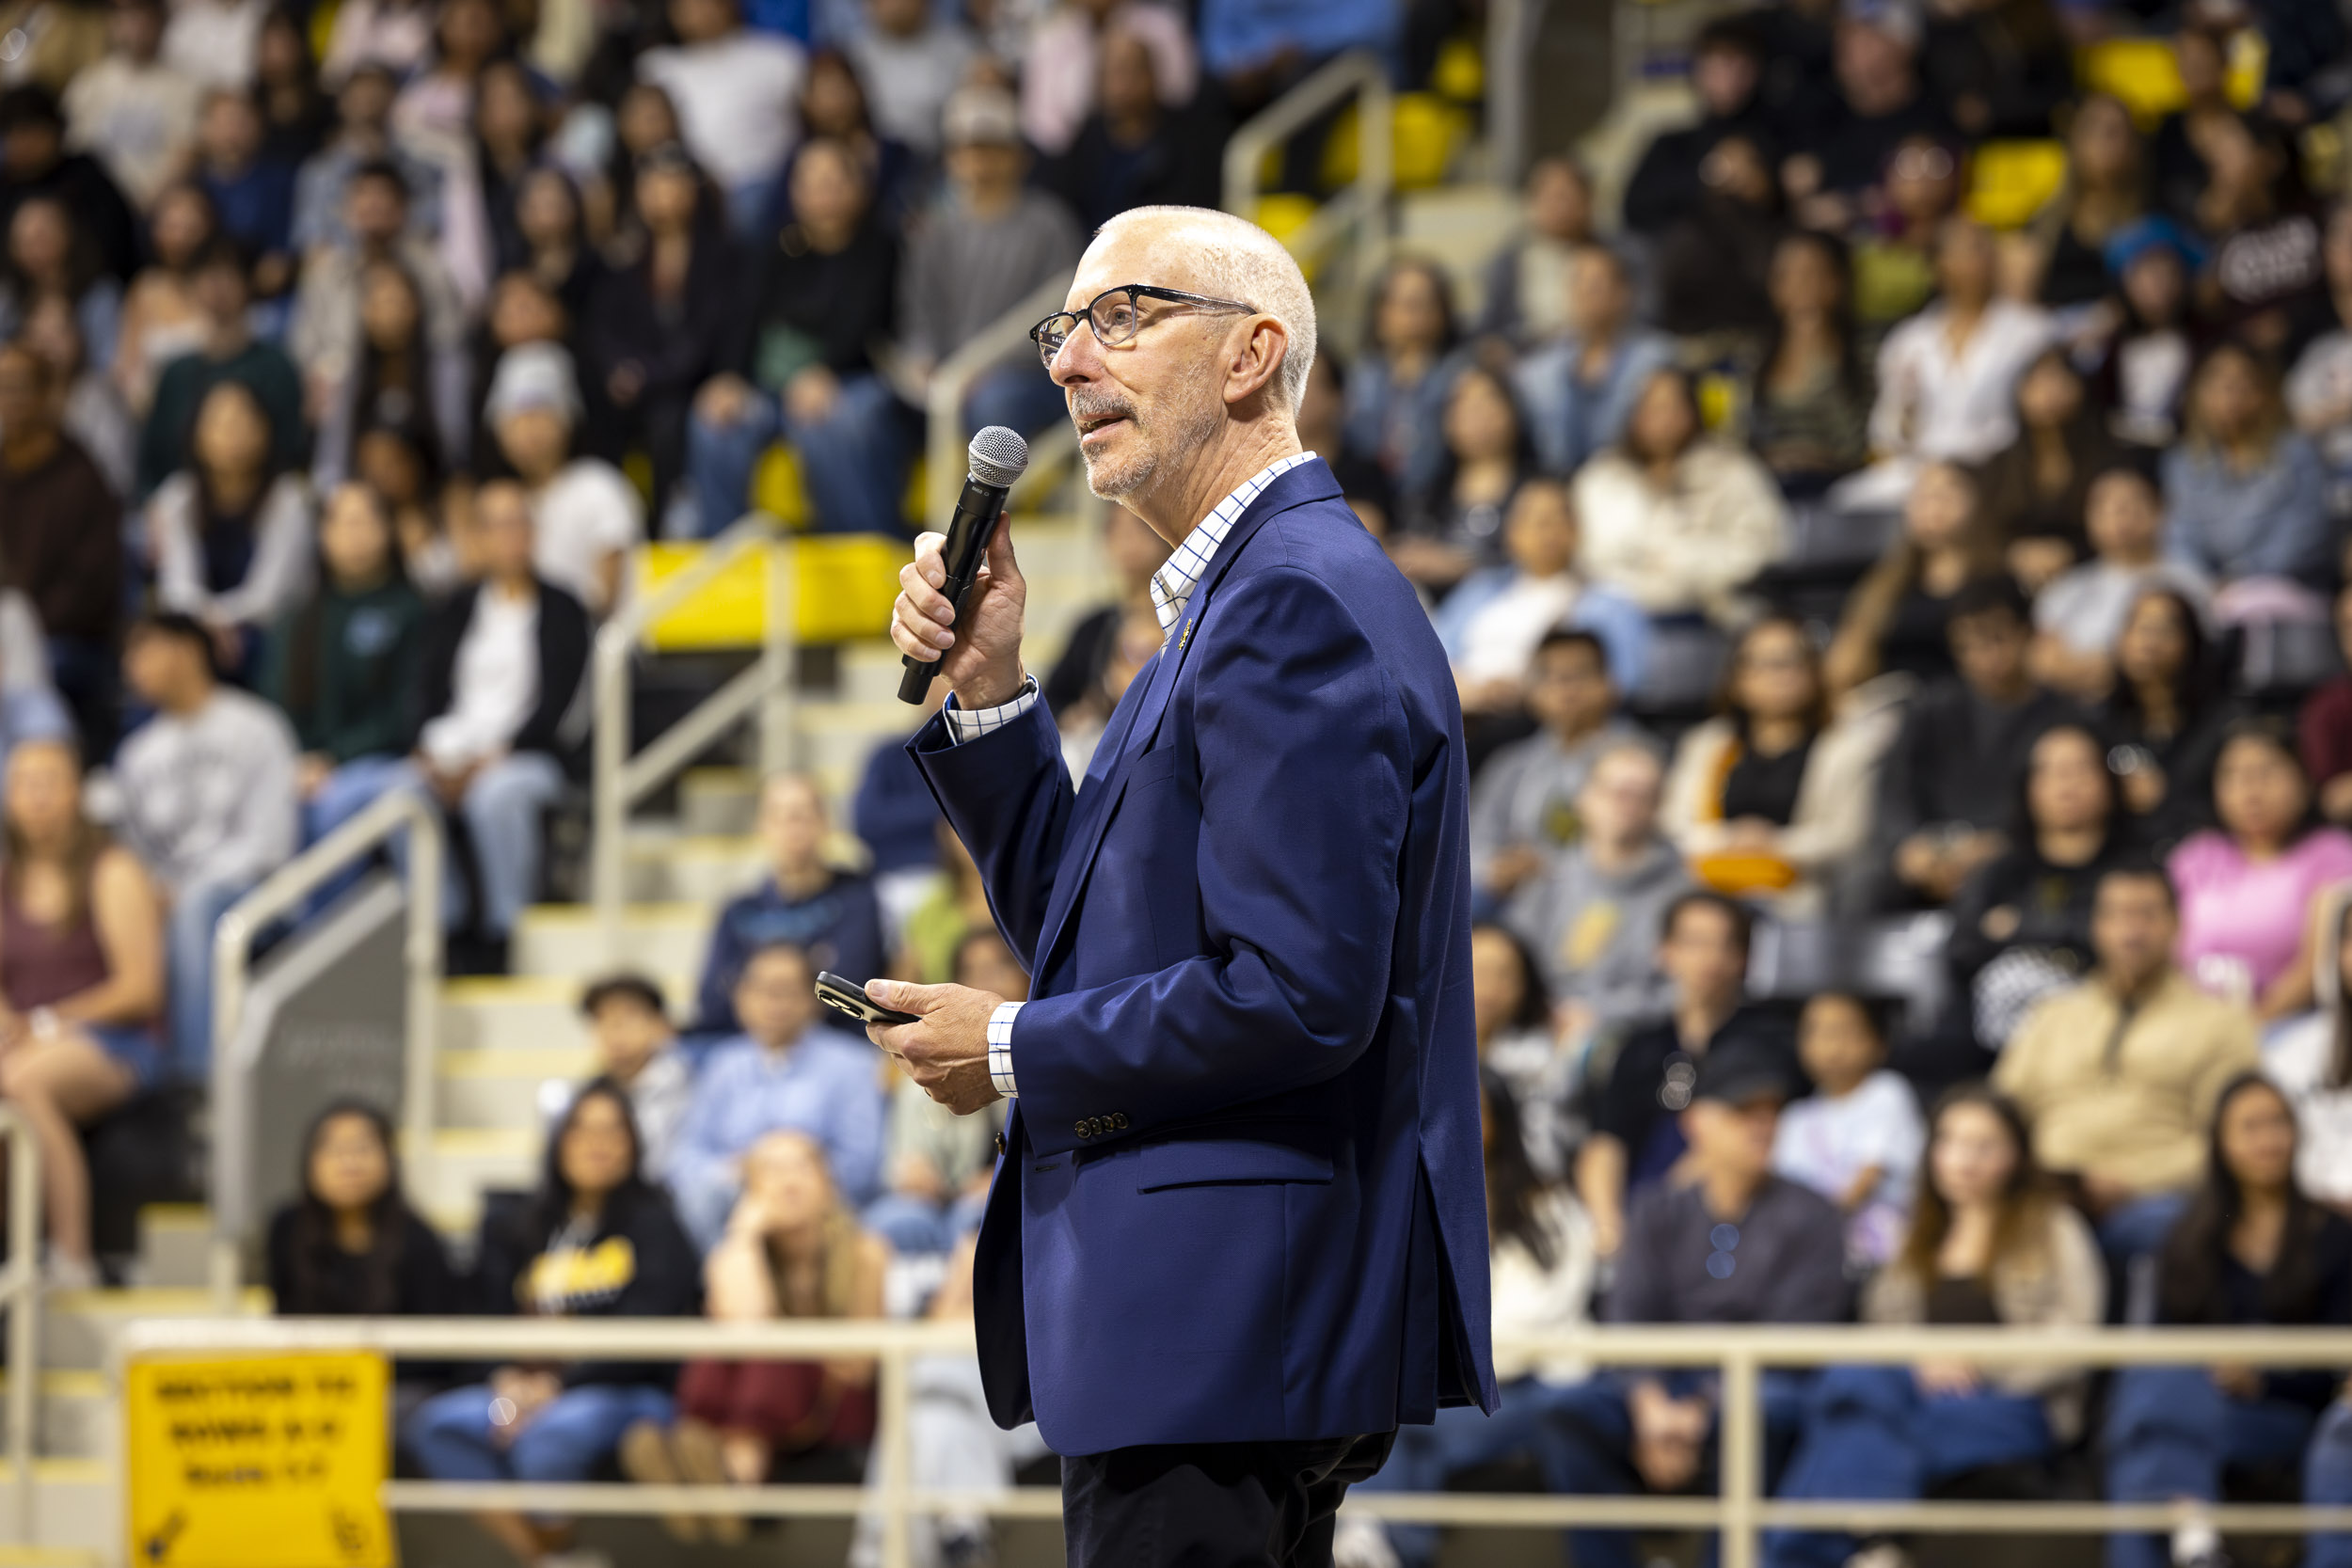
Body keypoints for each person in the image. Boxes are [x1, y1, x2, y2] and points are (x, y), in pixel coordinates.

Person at [881, 204, 1497, 1562]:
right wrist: (991, 693)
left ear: (1251, 356)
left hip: (1223, 1315)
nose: (1067, 362)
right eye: (1062, 330)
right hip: (1210, 1322)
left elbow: (1298, 994)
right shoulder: (1229, 605)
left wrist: (1006, 1043)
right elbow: (1095, 932)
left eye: (1123, 316)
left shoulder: (1290, 602)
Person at [1765, 1085, 2103, 1568]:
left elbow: (2078, 1336)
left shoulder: (2054, 1227)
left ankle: (1830, 1548)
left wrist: (1978, 1361)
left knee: (1848, 1425)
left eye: (1984, 1145)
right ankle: (1876, 1548)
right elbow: (1881, 1330)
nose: (1964, 1160)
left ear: (2017, 1155)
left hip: (2014, 1405)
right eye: (1950, 1142)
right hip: (1915, 1395)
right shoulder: (1912, 1233)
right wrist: (1920, 1360)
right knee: (1855, 1382)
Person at [1550, 1043, 1847, 1568]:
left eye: (1771, 1114)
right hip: (1664, 1385)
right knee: (1566, 1412)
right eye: (1742, 1113)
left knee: (1759, 1412)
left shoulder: (1813, 1213)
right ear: (1697, 1123)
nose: (1761, 1127)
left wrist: (1701, 1407)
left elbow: (1797, 1331)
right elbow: (1630, 1313)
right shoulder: (1656, 1208)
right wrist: (1650, 1404)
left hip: (1754, 1388)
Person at [405, 1081, 700, 1568]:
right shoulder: (517, 1222)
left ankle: (554, 1551)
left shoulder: (658, 1223)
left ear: (634, 1144)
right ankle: (544, 1555)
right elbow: (485, 1313)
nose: (596, 1144)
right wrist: (504, 1376)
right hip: (518, 1392)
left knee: (552, 1437)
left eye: (612, 1131)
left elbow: (648, 1332)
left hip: (619, 1392)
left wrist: (558, 1385)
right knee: (438, 1426)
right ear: (557, 1142)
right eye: (581, 1131)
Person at [1338, 1072, 1597, 1568]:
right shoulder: (1423, 1199)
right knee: (1402, 1418)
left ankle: (1382, 1544)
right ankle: (1385, 1544)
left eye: (1475, 1108)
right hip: (1465, 1384)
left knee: (1411, 1425)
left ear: (1502, 1117)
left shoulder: (1552, 1207)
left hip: (1539, 1386)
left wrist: (1447, 1350)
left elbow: (1536, 1320)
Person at [2105, 1072, 2352, 1568]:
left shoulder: (2334, 1236)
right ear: (2220, 1140)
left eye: (2278, 1123)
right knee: (2158, 1395)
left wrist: (2260, 1377)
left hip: (2286, 1416)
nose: (2267, 1140)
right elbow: (2161, 1348)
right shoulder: (2187, 1236)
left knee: (2146, 1434)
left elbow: (2338, 1364)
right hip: (2195, 1408)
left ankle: (2196, 1541)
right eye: (2250, 1126)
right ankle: (2195, 1540)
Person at [623, 1130, 887, 1544]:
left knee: (770, 1352)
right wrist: (745, 1237)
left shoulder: (866, 1250)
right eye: (771, 1169)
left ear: (827, 1181)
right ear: (750, 1188)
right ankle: (721, 1477)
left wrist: (792, 1344)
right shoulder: (731, 1254)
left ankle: (723, 1485)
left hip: (839, 1404)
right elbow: (745, 1328)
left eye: (802, 1165)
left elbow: (858, 1366)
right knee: (721, 1348)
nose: (788, 1180)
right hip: (759, 1404)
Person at [1994, 863, 2259, 1272]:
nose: (2130, 931)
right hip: (2050, 1192)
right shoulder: (2052, 1016)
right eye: (2114, 914)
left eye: (2146, 915)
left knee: (2171, 1227)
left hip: (2155, 1199)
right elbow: (2002, 1115)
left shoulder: (2220, 1022)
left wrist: (2131, 1183)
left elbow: (2232, 1141)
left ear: (2177, 924)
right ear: (2096, 926)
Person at [685, 135, 906, 539]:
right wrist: (730, 377)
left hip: (854, 379)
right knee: (714, 421)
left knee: (834, 420)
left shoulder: (883, 248)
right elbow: (744, 320)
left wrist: (827, 373)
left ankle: (861, 548)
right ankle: (724, 558)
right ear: (794, 190)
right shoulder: (775, 249)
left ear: (860, 186)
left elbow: (872, 324)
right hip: (771, 389)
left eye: (835, 179)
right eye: (811, 180)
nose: (824, 191)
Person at [0, 737, 162, 1281]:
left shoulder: (112, 870)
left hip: (116, 1040)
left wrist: (46, 1022)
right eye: (24, 784)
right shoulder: (5, 881)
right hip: (27, 1042)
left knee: (22, 1082)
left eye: (48, 783)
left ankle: (72, 1255)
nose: (36, 797)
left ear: (76, 793)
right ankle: (16, 1250)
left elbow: (140, 988)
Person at [112, 612, 297, 1076]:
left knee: (197, 907)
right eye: (131, 655)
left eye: (146, 649)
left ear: (190, 651)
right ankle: (139, 1070)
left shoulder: (256, 726)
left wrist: (186, 889)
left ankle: (198, 1083)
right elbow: (133, 851)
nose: (136, 666)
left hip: (254, 893)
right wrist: (149, 893)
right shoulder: (136, 754)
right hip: (169, 894)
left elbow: (270, 843)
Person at [1575, 890, 1799, 1257]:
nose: (1710, 958)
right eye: (1695, 942)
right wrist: (1608, 1224)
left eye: (1724, 944)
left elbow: (1738, 1138)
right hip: (1636, 1222)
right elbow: (1606, 1141)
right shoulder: (1641, 1045)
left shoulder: (1767, 1041)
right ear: (1665, 952)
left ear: (1743, 958)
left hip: (1725, 1223)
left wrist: (1655, 1218)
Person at [1662, 612, 1899, 912]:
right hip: (1708, 888)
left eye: (1793, 661)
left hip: (1800, 896)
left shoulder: (1845, 748)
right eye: (1766, 663)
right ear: (1737, 678)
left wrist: (1774, 843)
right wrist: (1730, 838)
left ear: (1814, 671)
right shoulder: (1707, 743)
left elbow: (1848, 837)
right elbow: (1675, 824)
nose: (1781, 675)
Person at [1874, 577, 2081, 909]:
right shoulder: (1931, 709)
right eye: (1967, 645)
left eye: (1996, 639)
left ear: (2027, 633)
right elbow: (1894, 792)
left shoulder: (2064, 716)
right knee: (1870, 885)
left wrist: (2003, 846)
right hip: (1935, 855)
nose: (1983, 657)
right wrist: (1911, 846)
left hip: (2021, 859)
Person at [895, 87, 1083, 443]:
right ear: (951, 158)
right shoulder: (935, 229)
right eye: (969, 149)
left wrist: (980, 368)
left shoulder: (1051, 224)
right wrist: (923, 361)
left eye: (992, 149)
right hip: (947, 380)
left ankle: (992, 500)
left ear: (1018, 156)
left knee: (996, 401)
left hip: (1026, 378)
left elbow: (1062, 322)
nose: (980, 162)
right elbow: (918, 315)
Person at [669, 940, 886, 1248]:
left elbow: (862, 1163)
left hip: (820, 1208)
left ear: (813, 999)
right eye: (760, 988)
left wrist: (785, 1179)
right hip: (730, 1201)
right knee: (698, 1204)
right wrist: (731, 1172)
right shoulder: (723, 1065)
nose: (773, 1002)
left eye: (786, 990)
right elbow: (685, 1156)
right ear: (740, 997)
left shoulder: (852, 1064)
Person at [1947, 723, 2137, 1060]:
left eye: (2080, 769)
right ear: (2027, 787)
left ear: (2109, 783)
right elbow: (1962, 951)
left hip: (2107, 1032)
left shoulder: (2134, 871)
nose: (2067, 784)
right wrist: (2070, 933)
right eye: (2050, 772)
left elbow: (2130, 946)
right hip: (1996, 1042)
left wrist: (2017, 928)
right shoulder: (1998, 873)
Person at [267, 481, 424, 846]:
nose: (354, 534)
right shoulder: (296, 618)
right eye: (342, 523)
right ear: (322, 535)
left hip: (381, 763)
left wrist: (334, 758)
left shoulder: (413, 611)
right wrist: (298, 761)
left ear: (388, 530)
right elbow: (273, 701)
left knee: (335, 806)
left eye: (365, 521)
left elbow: (406, 710)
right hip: (301, 768)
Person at [1571, 368, 1788, 628]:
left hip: (1715, 611)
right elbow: (1590, 557)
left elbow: (1763, 546)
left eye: (1674, 406)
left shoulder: (1732, 470)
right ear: (1632, 414)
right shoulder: (1600, 478)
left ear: (1694, 412)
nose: (1664, 419)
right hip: (1622, 615)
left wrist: (1683, 564)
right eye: (1652, 407)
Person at [1503, 739, 1691, 1038]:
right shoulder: (1547, 881)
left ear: (1659, 806)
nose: (1626, 806)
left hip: (1636, 1039)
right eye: (1615, 792)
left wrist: (1600, 1015)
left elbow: (1687, 991)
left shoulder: (1684, 894)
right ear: (1583, 798)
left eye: (1642, 796)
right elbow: (1514, 965)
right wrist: (1546, 1013)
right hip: (1538, 1032)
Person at [2169, 719, 2352, 1020]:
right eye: (2233, 776)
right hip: (2192, 1023)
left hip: (2292, 1025)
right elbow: (2166, 950)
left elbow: (2316, 968)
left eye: (2266, 773)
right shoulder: (2197, 855)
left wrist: (2249, 1030)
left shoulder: (2331, 855)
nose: (2250, 791)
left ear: (2304, 781)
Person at [1858, 217, 2054, 492]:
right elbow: (1887, 435)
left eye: (1986, 248)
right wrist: (1906, 414)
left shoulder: (2031, 331)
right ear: (1939, 265)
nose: (1981, 258)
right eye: (1968, 249)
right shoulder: (1908, 341)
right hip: (1923, 476)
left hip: (2003, 473)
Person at [692, 772, 886, 1037]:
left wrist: (756, 986)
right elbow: (713, 999)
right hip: (748, 1045)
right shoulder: (738, 910)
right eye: (780, 816)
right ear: (762, 826)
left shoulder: (857, 898)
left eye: (802, 815)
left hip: (835, 1043)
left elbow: (848, 990)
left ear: (825, 823)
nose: (792, 828)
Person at [1465, 628, 1648, 906]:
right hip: (1513, 902)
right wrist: (1496, 868)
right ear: (1532, 691)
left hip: (1607, 898)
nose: (1564, 688)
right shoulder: (1511, 763)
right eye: (1549, 676)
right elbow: (1473, 844)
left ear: (1610, 685)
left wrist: (1548, 869)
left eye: (1577, 675)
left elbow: (1641, 847)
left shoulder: (1639, 759)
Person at [150, 379, 314, 682]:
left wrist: (217, 623)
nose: (231, 433)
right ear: (196, 434)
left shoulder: (289, 498)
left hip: (266, 631)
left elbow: (270, 597)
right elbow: (177, 589)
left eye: (243, 421)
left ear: (265, 431)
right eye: (219, 422)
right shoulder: (177, 497)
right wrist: (208, 626)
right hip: (195, 631)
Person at [865, 927, 1016, 1255]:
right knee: (892, 1220)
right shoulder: (929, 1054)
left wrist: (999, 1175)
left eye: (996, 970)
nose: (983, 983)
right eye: (970, 973)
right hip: (935, 1197)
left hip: (1009, 1188)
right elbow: (901, 1158)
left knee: (977, 1216)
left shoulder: (1038, 1054)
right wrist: (911, 1171)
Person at [0, 342, 120, 752]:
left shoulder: (82, 476)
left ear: (47, 394)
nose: (9, 400)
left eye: (19, 387)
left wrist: (26, 630)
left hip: (64, 638)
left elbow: (93, 584)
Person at [1432, 481, 1650, 706]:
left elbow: (1622, 682)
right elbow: (1433, 655)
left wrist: (1532, 692)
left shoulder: (1610, 604)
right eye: (1536, 521)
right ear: (1512, 533)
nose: (1548, 531)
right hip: (1465, 711)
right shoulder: (1479, 590)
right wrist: (1473, 691)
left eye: (1558, 519)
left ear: (1577, 530)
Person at [267, 1100, 463, 1325]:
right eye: (334, 1149)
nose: (349, 1164)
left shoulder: (418, 1239)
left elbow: (434, 1336)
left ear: (388, 1160)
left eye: (363, 1148)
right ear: (310, 1163)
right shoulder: (287, 1228)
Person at [135, 237, 304, 499]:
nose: (217, 287)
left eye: (228, 275)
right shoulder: (176, 372)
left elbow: (292, 450)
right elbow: (154, 458)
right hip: (182, 511)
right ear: (192, 287)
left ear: (248, 284)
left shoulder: (276, 366)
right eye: (206, 276)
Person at [485, 344, 640, 618]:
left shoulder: (598, 485)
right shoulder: (508, 502)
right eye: (515, 421)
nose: (528, 430)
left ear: (566, 420)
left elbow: (606, 598)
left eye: (539, 416)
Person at [1770, 991, 1922, 1267]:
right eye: (1816, 1032)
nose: (1831, 1046)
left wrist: (1810, 1229)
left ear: (1879, 1042)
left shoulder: (1886, 1093)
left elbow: (1866, 1179)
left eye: (1845, 1032)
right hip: (1814, 1253)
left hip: (1881, 1254)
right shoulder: (1795, 1118)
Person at [2163, 341, 2331, 590]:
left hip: (2286, 588)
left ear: (2264, 392)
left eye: (2242, 380)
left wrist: (2242, 579)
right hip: (2210, 591)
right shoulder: (2181, 462)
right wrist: (2205, 581)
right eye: (2216, 379)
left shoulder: (2297, 451)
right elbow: (2181, 537)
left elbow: (2304, 532)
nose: (2229, 390)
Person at [1823, 459, 2002, 693]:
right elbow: (1843, 668)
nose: (1935, 506)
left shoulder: (1996, 580)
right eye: (1925, 496)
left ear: (1976, 502)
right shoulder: (1884, 585)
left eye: (1946, 494)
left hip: (1969, 706)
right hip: (1895, 703)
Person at [2031, 466, 2210, 700]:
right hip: (2079, 714)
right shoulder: (2067, 589)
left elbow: (2198, 658)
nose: (2121, 515)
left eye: (2132, 504)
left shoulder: (2189, 582)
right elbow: (2042, 661)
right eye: (2107, 506)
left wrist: (2115, 669)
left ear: (2159, 512)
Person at [635, 0, 804, 234]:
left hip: (763, 188)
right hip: (688, 187)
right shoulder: (658, 67)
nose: (698, 11)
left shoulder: (778, 58)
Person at [1512, 245, 1676, 477]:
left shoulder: (1657, 358)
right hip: (1559, 486)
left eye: (1597, 284)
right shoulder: (1537, 371)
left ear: (1624, 293)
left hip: (1636, 480)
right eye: (1577, 283)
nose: (1586, 293)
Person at [1973, 347, 2126, 590]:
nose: (2048, 390)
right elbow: (1984, 527)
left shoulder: (2110, 456)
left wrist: (2071, 554)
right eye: (2037, 381)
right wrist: (2013, 554)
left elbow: (2121, 519)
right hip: (2012, 576)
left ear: (2081, 388)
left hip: (2093, 572)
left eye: (2059, 379)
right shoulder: (1999, 464)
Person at [1040, 26, 1218, 231]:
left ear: (1153, 76)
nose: (1124, 84)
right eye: (1114, 72)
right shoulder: (1084, 143)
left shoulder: (1190, 141)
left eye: (1133, 70)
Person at [2099, 586, 2237, 851]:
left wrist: (2167, 795)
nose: (2148, 642)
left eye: (2163, 630)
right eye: (2138, 628)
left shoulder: (2222, 724)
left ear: (2191, 642)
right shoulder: (2100, 721)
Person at [1741, 229, 1871, 496]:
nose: (1800, 286)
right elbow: (1739, 442)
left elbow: (1855, 446)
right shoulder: (1753, 360)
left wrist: (1820, 352)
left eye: (1812, 274)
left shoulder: (1864, 356)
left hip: (1841, 491)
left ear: (1837, 282)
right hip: (1767, 489)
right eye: (1786, 276)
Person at [1622, 15, 1772, 240]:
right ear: (1698, 70)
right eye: (1717, 65)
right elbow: (1634, 209)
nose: (1728, 77)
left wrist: (1765, 186)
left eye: (1739, 64)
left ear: (1757, 70)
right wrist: (1710, 177)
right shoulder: (1673, 145)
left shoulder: (1776, 139)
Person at [1342, 257, 1465, 509]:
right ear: (1380, 312)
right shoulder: (1359, 377)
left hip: (1443, 502)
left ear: (1443, 311)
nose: (1413, 312)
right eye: (1402, 302)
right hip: (1368, 499)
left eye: (1424, 302)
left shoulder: (1462, 374)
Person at [59, 0, 202, 212]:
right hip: (93, 207)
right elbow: (72, 150)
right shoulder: (87, 83)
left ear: (161, 23)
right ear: (112, 24)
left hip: (156, 210)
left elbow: (186, 154)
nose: (136, 27)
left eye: (145, 17)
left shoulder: (187, 86)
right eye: (126, 18)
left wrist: (144, 205)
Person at [0, 86, 138, 285]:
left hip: (83, 292)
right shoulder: (6, 184)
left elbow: (115, 247)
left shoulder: (86, 177)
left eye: (30, 132)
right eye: (12, 134)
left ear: (55, 130)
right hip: (16, 296)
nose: (23, 144)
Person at [2026, 92, 2146, 309]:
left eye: (2115, 131)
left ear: (2133, 145)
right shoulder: (2047, 223)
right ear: (2076, 141)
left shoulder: (2149, 219)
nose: (2104, 140)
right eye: (2094, 129)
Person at [1474, 155, 1597, 349]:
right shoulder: (1508, 261)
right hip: (1527, 355)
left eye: (1566, 197)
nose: (1559, 207)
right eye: (1550, 197)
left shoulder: (1616, 255)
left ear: (1587, 201)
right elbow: (1491, 326)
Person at [578, 975, 690, 1183]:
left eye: (628, 1017)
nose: (615, 1028)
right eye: (602, 1018)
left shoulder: (689, 1088)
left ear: (661, 1026)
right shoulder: (586, 1097)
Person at [842, 0, 976, 159]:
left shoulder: (962, 51)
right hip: (875, 167)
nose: (896, 5)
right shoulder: (852, 56)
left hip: (945, 163)